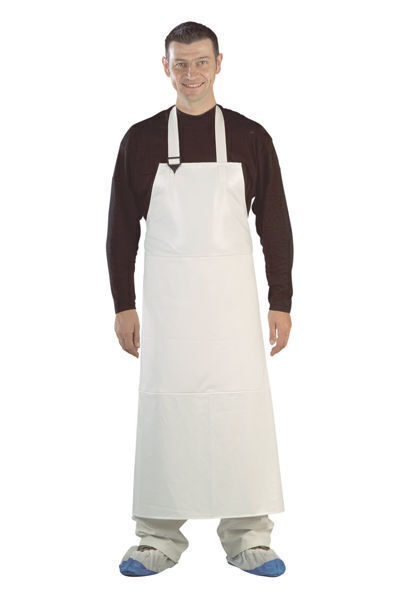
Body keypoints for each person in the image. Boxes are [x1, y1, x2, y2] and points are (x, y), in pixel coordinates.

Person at [106, 21, 293, 578]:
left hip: (233, 311)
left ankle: (249, 537)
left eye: (201, 62)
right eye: (181, 64)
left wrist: (281, 299)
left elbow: (275, 222)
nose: (191, 74)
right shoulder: (140, 140)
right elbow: (121, 228)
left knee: (241, 412)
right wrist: (123, 303)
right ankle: (157, 538)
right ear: (166, 67)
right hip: (169, 311)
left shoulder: (251, 137)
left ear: (219, 64)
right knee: (167, 412)